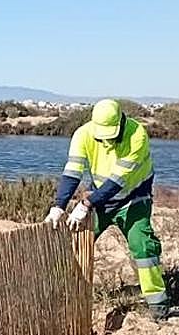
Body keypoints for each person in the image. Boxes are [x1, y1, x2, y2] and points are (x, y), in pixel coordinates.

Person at [45, 98, 168, 320]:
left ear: (121, 122)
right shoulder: (83, 134)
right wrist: (59, 206)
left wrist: (86, 204)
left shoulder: (136, 136)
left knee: (143, 246)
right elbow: (72, 172)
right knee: (76, 243)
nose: (106, 140)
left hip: (133, 198)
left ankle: (158, 306)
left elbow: (117, 182)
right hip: (101, 199)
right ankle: (61, 297)